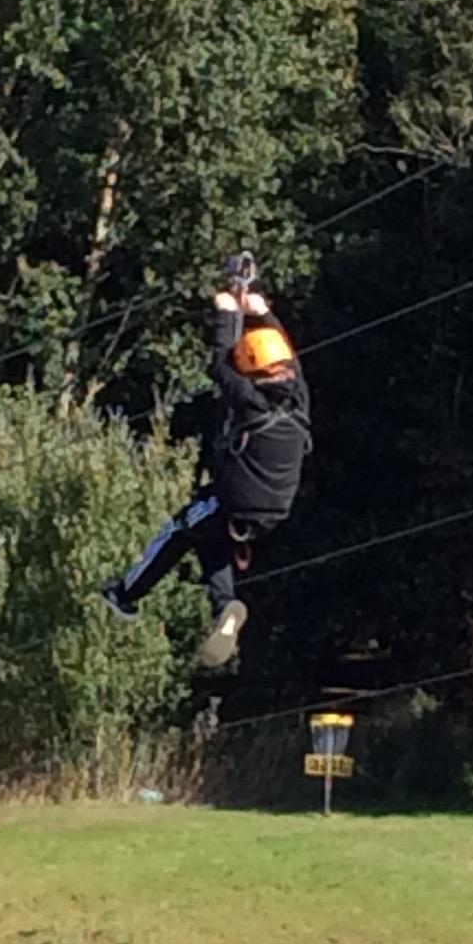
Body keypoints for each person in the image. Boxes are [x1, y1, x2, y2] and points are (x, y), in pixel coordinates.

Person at [101, 276, 313, 669]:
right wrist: (262, 312)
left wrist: (227, 314)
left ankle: (125, 593)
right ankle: (224, 608)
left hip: (231, 504)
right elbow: (290, 358)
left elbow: (218, 364)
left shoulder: (251, 403)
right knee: (211, 543)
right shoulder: (299, 401)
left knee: (178, 530)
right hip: (274, 513)